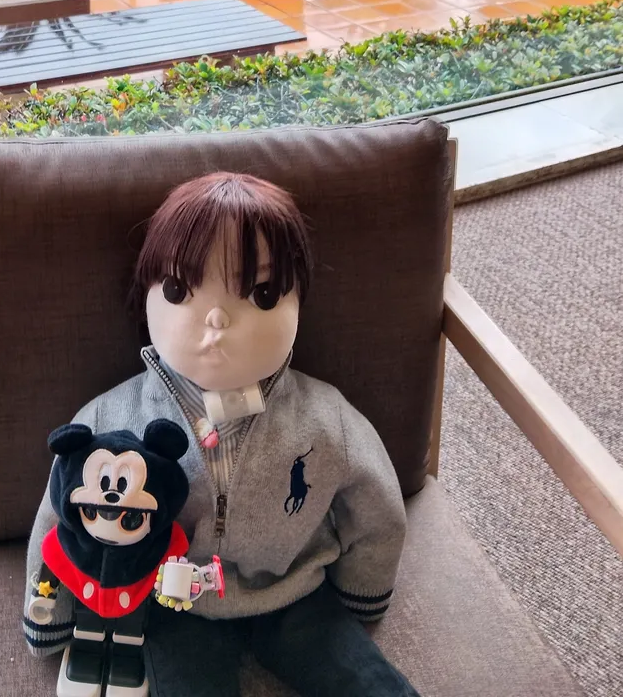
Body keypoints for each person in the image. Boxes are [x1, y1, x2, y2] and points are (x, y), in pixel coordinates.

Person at [26, 172, 420, 697]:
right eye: (178, 289)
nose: (216, 318)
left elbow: (377, 507)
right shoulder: (111, 419)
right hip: (170, 602)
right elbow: (59, 517)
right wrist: (48, 612)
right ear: (148, 294)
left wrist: (365, 588)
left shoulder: (327, 419)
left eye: (261, 293)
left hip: (294, 589)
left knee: (372, 687)